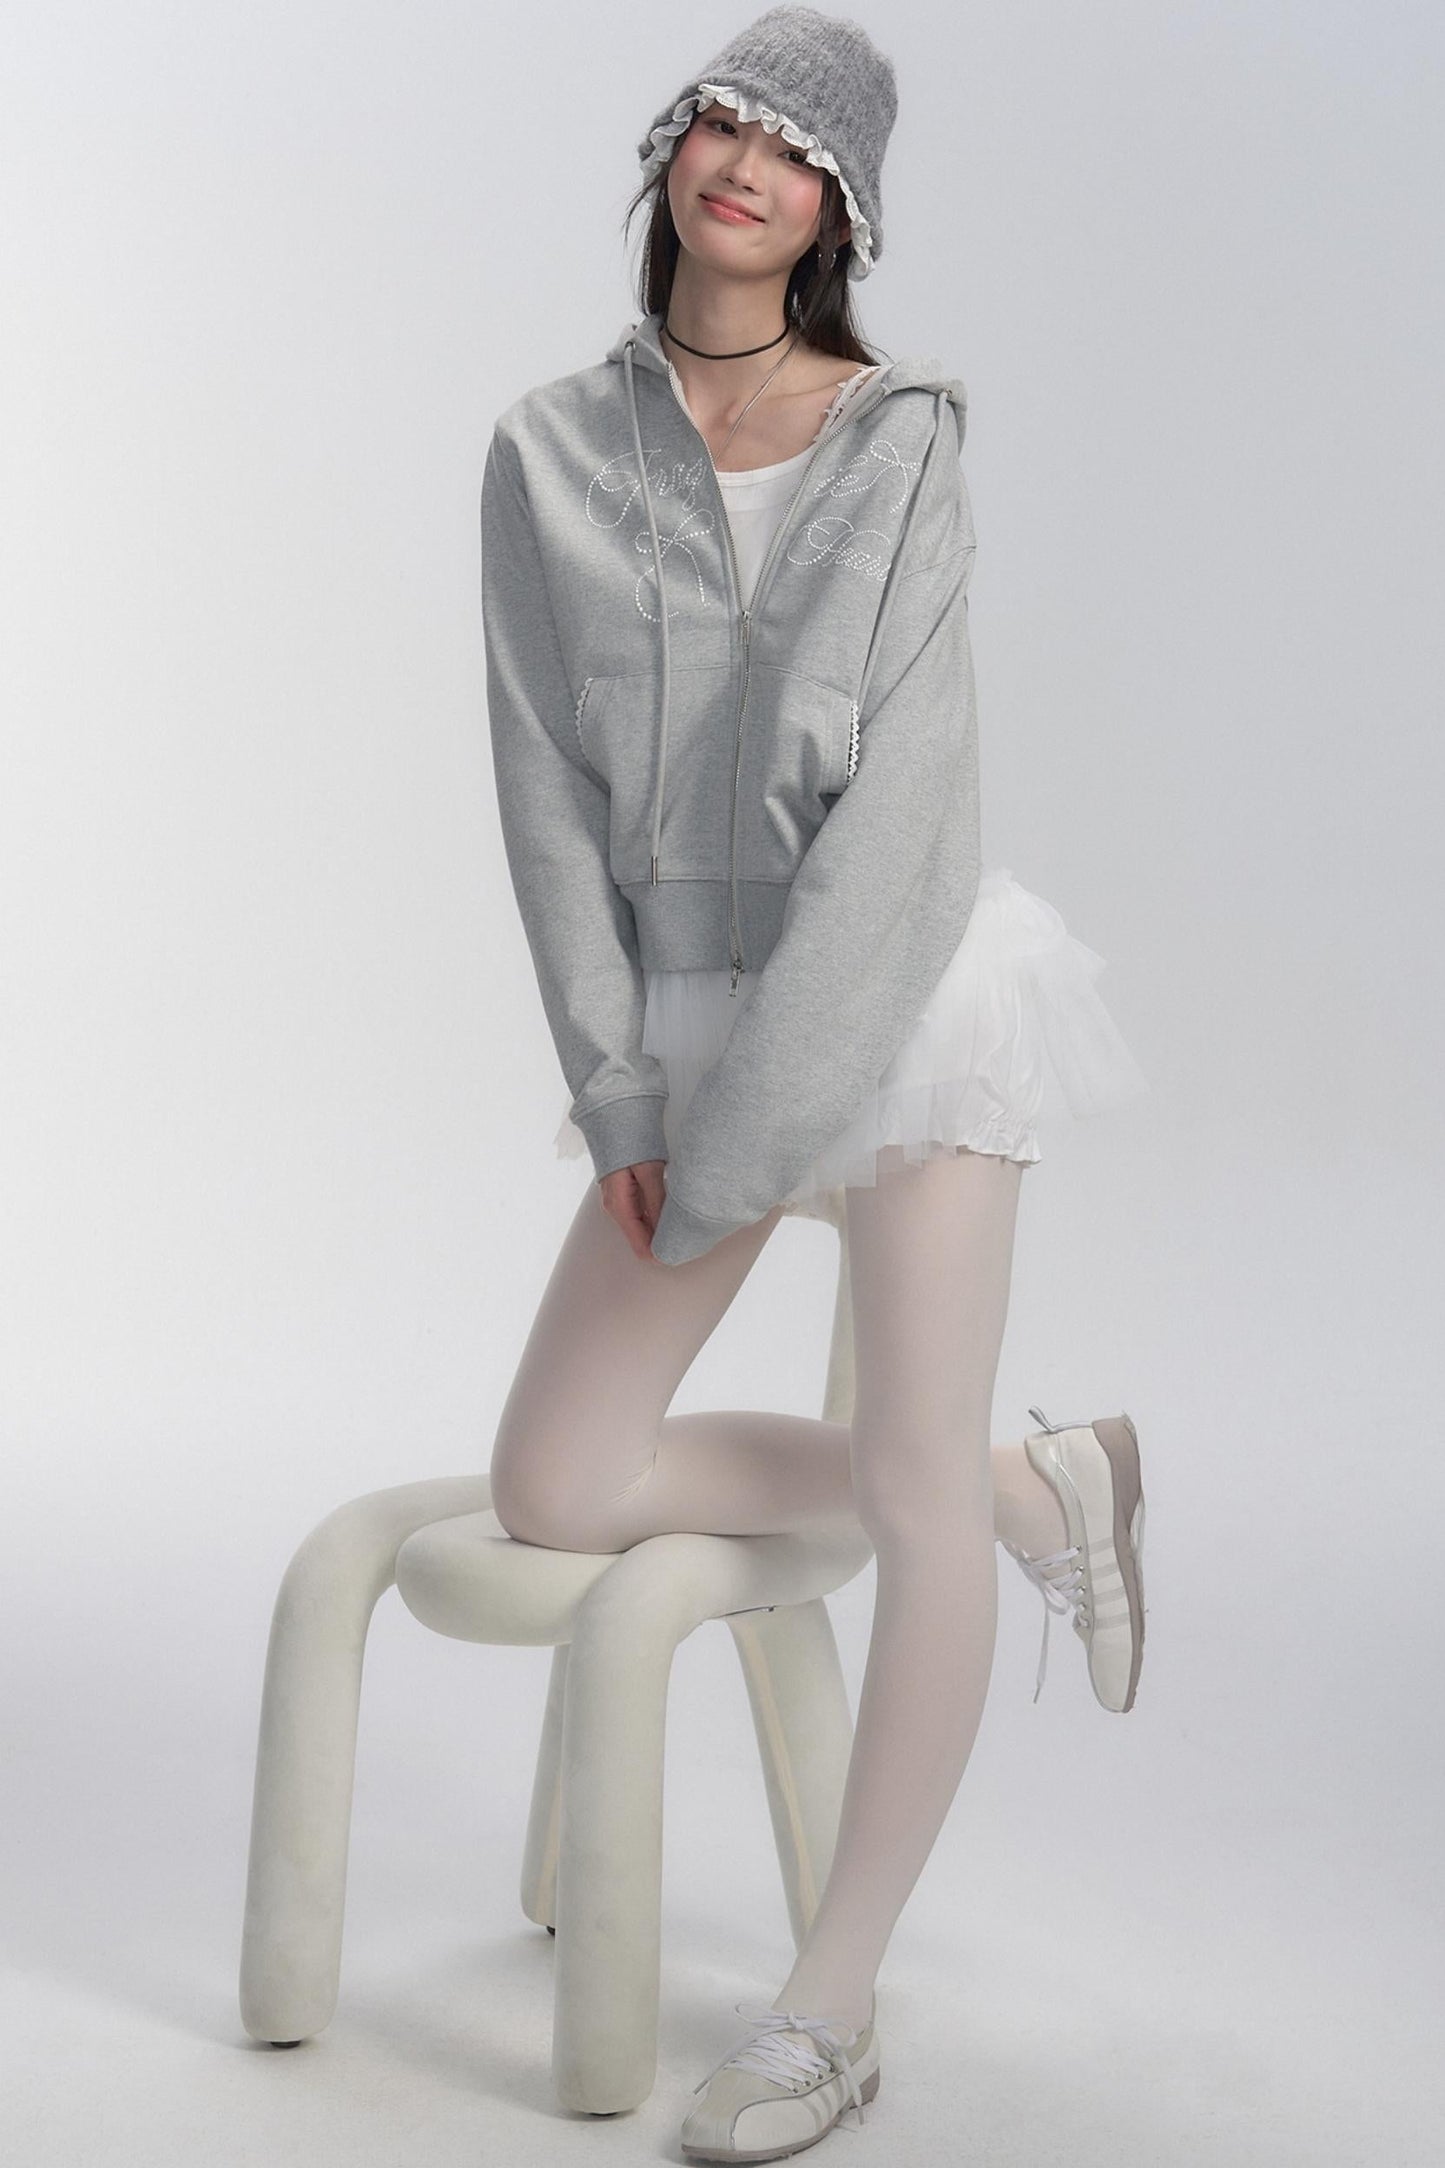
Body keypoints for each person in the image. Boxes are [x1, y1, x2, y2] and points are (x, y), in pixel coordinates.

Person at [478, 8, 1150, 2158]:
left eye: (798, 146)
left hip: (911, 989)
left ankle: (827, 2008)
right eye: (724, 118)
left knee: (905, 1490)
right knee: (559, 1478)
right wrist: (628, 1099)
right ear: (673, 155)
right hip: (685, 1017)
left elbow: (909, 815)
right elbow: (545, 795)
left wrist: (747, 1131)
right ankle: (1040, 1491)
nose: (748, 159)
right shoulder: (546, 452)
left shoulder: (901, 439)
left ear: (838, 210)